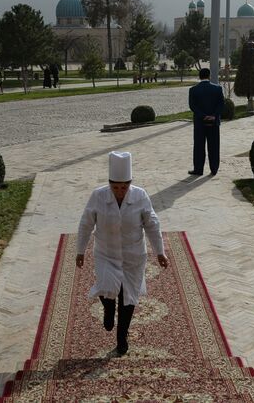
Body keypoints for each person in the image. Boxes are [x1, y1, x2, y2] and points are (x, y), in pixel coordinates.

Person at [76, 151, 169, 356]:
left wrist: (160, 252)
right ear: (109, 184)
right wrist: (80, 251)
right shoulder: (98, 196)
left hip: (133, 255)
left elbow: (152, 225)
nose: (120, 192)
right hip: (106, 253)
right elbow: (85, 224)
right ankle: (108, 308)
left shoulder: (140, 196)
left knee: (128, 296)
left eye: (124, 187)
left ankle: (122, 336)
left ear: (130, 184)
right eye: (115, 187)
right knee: (107, 286)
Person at [188, 68, 224, 176]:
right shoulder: (217, 89)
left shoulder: (193, 90)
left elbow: (192, 106)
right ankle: (214, 169)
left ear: (199, 76)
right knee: (214, 146)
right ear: (209, 76)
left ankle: (198, 169)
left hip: (200, 123)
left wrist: (203, 116)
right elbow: (221, 104)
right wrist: (213, 115)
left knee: (199, 146)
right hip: (214, 122)